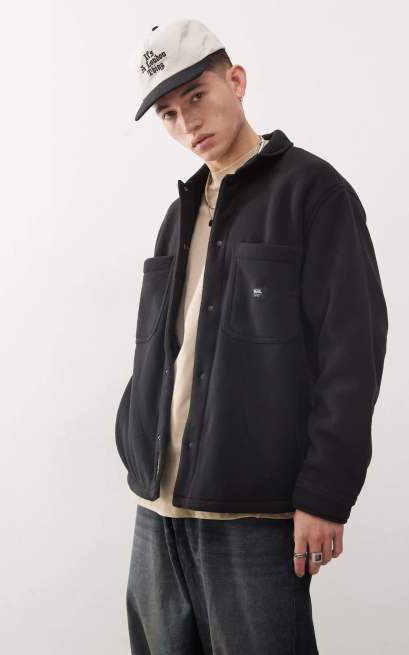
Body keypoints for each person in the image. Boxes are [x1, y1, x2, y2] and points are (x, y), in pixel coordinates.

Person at [114, 18, 388, 654]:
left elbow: (353, 353)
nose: (188, 124)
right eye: (169, 114)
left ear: (235, 81)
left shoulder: (314, 193)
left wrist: (326, 494)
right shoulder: (178, 215)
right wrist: (133, 440)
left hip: (254, 517)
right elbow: (160, 348)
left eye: (198, 96)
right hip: (157, 511)